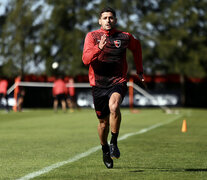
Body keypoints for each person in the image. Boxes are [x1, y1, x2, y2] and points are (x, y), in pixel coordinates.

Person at [82, 7, 144, 168]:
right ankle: (104, 149)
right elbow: (85, 59)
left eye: (111, 18)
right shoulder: (92, 36)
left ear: (115, 20)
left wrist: (140, 70)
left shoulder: (124, 37)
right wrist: (99, 48)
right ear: (99, 21)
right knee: (103, 123)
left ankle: (114, 143)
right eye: (105, 18)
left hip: (118, 80)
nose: (108, 20)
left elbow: (137, 49)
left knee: (114, 106)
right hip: (98, 84)